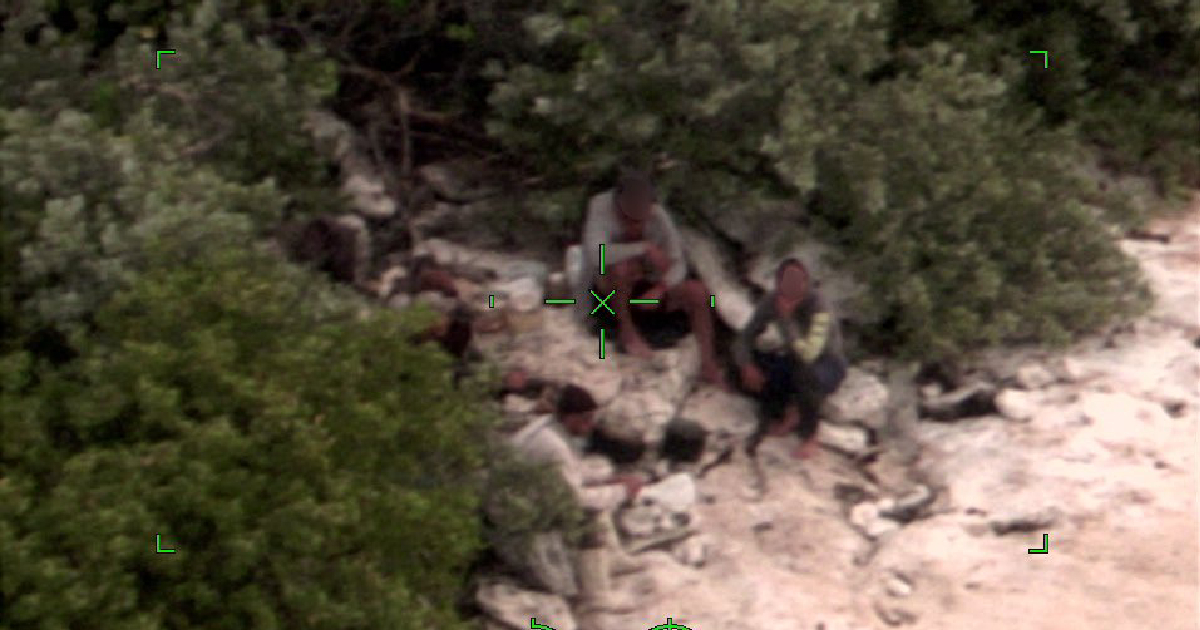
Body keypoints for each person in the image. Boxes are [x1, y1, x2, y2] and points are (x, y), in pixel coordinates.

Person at [507, 384, 648, 613]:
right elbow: (576, 500)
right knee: (590, 513)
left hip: (523, 500)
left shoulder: (547, 429)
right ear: (569, 417)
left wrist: (611, 481)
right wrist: (621, 492)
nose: (590, 425)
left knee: (601, 491)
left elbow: (569, 475)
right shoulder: (553, 446)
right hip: (518, 520)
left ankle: (612, 558)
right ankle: (597, 596)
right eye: (585, 419)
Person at [579, 171, 727, 388]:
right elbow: (595, 254)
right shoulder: (600, 209)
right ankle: (627, 333)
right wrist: (642, 248)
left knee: (699, 292)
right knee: (621, 268)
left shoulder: (658, 216)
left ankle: (708, 361)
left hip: (651, 288)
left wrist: (661, 287)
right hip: (610, 291)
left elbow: (678, 262)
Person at [734, 258, 848, 459]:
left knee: (805, 376)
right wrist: (747, 365)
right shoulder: (772, 301)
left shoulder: (819, 307)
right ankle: (784, 410)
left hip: (826, 363)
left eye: (798, 280)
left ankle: (810, 435)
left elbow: (809, 353)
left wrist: (787, 319)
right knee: (748, 369)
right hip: (793, 358)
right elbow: (746, 336)